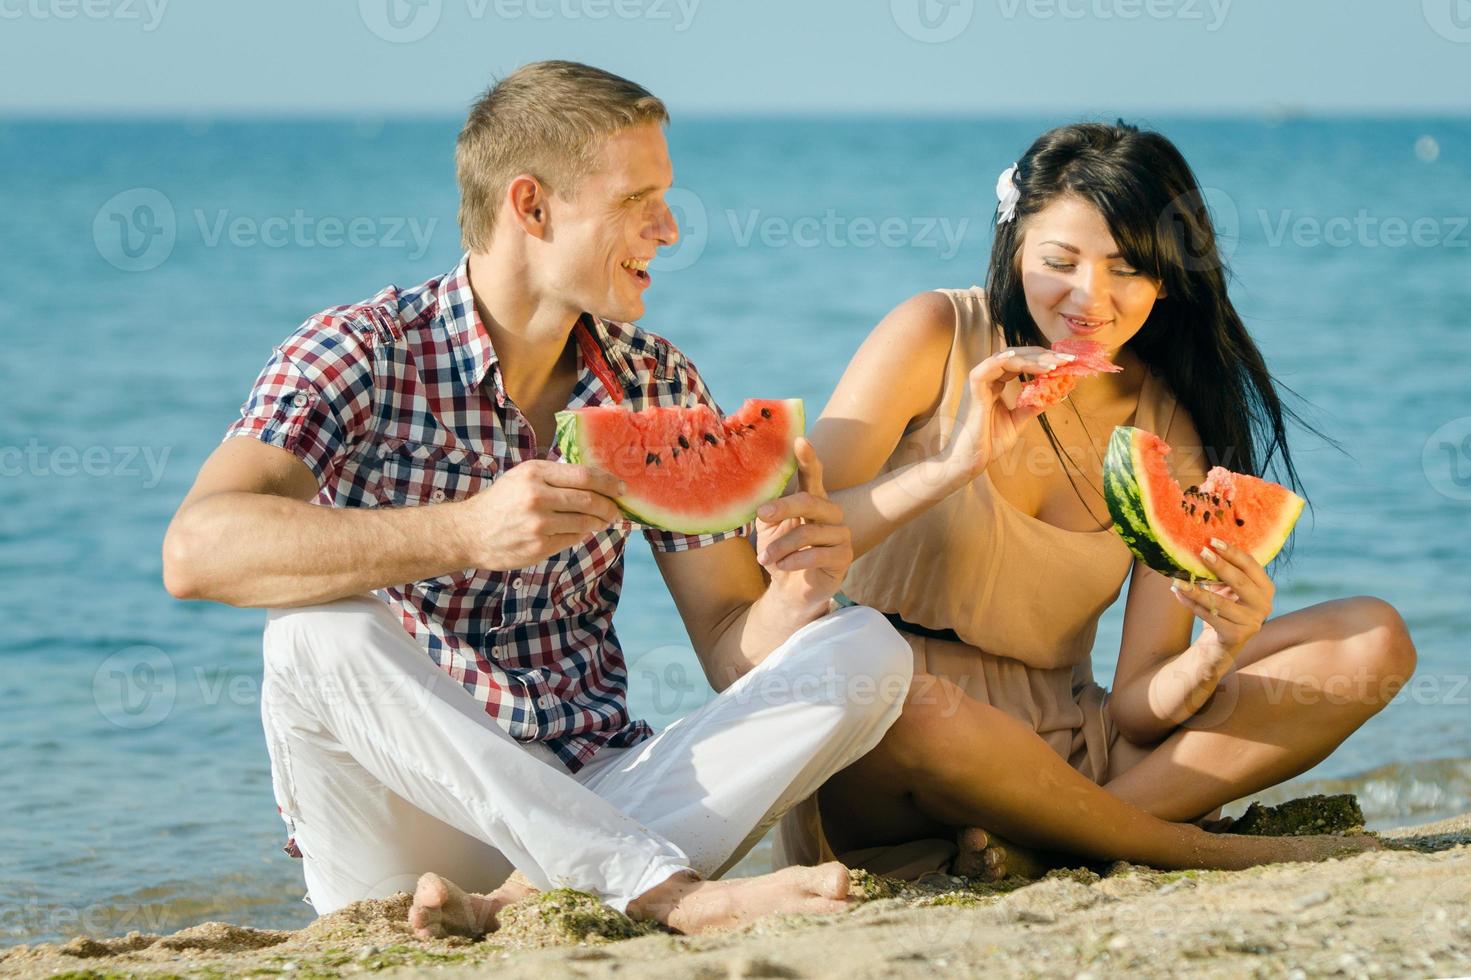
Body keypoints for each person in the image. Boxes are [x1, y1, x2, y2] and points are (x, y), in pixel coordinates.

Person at [162, 60, 913, 939]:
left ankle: (523, 903)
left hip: (596, 790)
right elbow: (196, 550)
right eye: (639, 199)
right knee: (312, 630)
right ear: (531, 206)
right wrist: (467, 531)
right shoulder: (358, 352)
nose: (669, 229)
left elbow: (725, 647)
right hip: (402, 821)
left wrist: (791, 597)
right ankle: (664, 895)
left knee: (864, 646)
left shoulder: (652, 379)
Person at [771, 121, 1415, 880]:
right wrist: (953, 465)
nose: (1090, 298)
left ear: (1168, 278)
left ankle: (1054, 840)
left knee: (1372, 639)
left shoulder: (1167, 421)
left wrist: (1214, 652)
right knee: (921, 709)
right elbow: (784, 538)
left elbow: (1139, 702)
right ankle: (1149, 840)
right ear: (1014, 247)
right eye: (1059, 261)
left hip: (1070, 743)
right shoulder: (936, 334)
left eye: (1125, 269)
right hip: (889, 730)